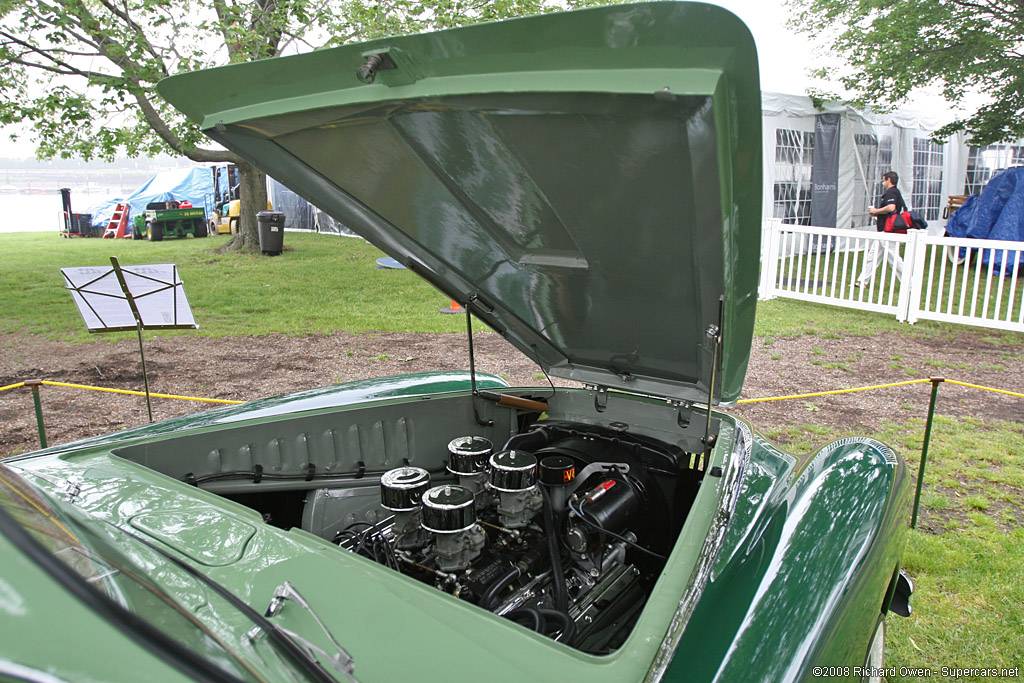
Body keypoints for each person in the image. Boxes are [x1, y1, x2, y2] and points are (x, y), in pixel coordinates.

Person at [855, 171, 906, 287]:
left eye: (884, 180)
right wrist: (877, 214)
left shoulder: (891, 192)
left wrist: (876, 211)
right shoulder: (895, 192)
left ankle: (909, 282)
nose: (882, 183)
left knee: (894, 258)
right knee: (872, 256)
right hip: (884, 230)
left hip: (887, 231)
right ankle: (862, 280)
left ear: (889, 180)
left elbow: (891, 207)